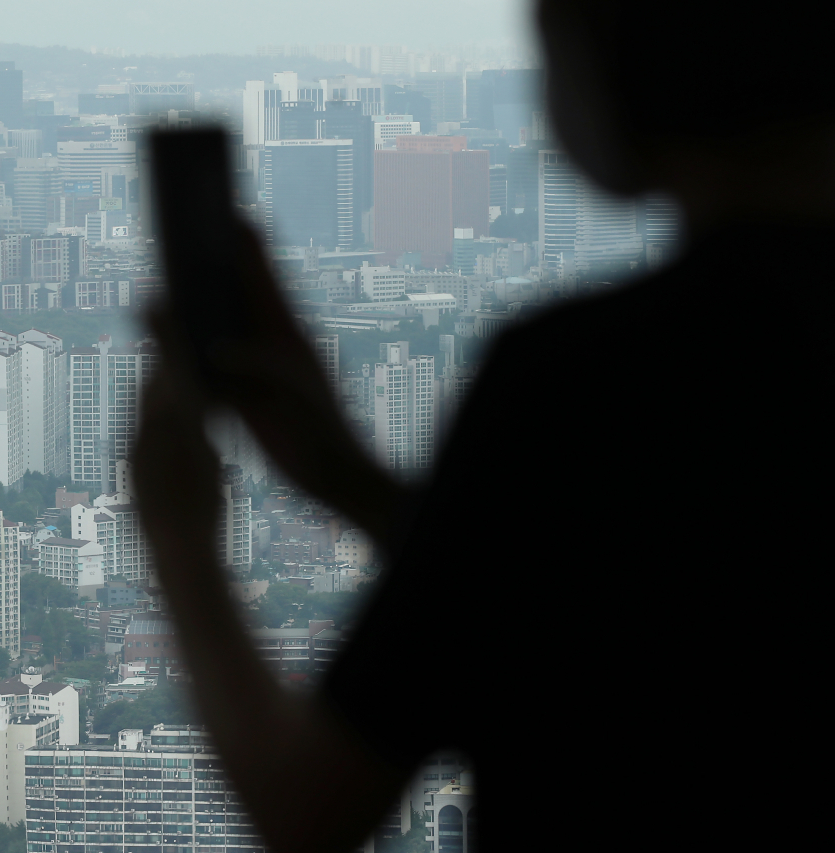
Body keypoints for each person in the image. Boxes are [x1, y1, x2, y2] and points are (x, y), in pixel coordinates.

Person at [131, 2, 827, 852]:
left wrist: (177, 533)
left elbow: (305, 807)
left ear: (617, 66)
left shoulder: (585, 383)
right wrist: (353, 481)